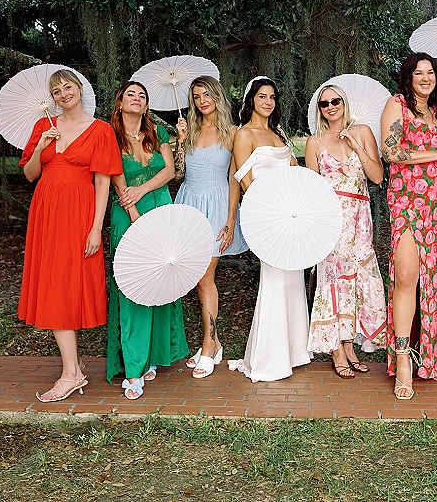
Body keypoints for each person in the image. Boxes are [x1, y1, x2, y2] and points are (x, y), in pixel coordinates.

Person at [19, 69, 122, 402]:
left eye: (68, 87)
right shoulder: (43, 127)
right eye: (57, 91)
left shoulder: (101, 130)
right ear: (53, 98)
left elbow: (103, 183)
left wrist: (95, 227)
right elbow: (30, 174)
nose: (63, 94)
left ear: (80, 89)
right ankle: (72, 367)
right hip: (46, 213)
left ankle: (71, 374)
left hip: (79, 214)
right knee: (52, 284)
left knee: (64, 285)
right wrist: (40, 149)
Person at [381, 52, 437, 400]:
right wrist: (436, 151)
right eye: (419, 73)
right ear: (408, 77)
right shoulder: (396, 105)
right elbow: (390, 152)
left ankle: (433, 356)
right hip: (406, 206)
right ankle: (403, 363)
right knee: (407, 280)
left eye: (430, 73)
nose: (425, 78)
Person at [106, 81, 189, 399]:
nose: (137, 99)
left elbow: (170, 171)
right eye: (131, 94)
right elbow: (117, 181)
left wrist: (143, 190)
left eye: (142, 95)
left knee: (162, 283)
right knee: (134, 287)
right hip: (129, 215)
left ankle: (155, 356)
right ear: (120, 102)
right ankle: (134, 368)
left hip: (161, 210)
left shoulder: (157, 132)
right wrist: (136, 213)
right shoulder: (110, 136)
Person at [228, 76, 312, 382]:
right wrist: (268, 210)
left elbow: (294, 171)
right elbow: (244, 178)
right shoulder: (243, 134)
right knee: (274, 282)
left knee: (292, 280)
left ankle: (293, 352)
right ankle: (269, 359)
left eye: (272, 97)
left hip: (289, 216)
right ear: (251, 99)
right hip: (266, 217)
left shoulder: (278, 134)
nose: (268, 102)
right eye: (262, 96)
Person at [306, 84, 387, 378]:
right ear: (320, 109)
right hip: (330, 220)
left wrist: (356, 145)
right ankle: (336, 349)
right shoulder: (315, 142)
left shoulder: (362, 132)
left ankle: (350, 344)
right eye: (324, 103)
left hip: (360, 219)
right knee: (334, 280)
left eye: (335, 101)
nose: (330, 107)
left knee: (360, 279)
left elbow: (377, 176)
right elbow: (312, 191)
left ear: (344, 102)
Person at [174, 76, 248, 379]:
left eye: (207, 94)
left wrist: (231, 220)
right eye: (196, 96)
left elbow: (235, 178)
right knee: (195, 277)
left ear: (218, 96)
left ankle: (208, 344)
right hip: (188, 204)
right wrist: (179, 142)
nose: (202, 100)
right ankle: (214, 342)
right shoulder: (188, 130)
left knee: (205, 276)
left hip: (217, 206)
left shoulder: (233, 133)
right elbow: (177, 174)